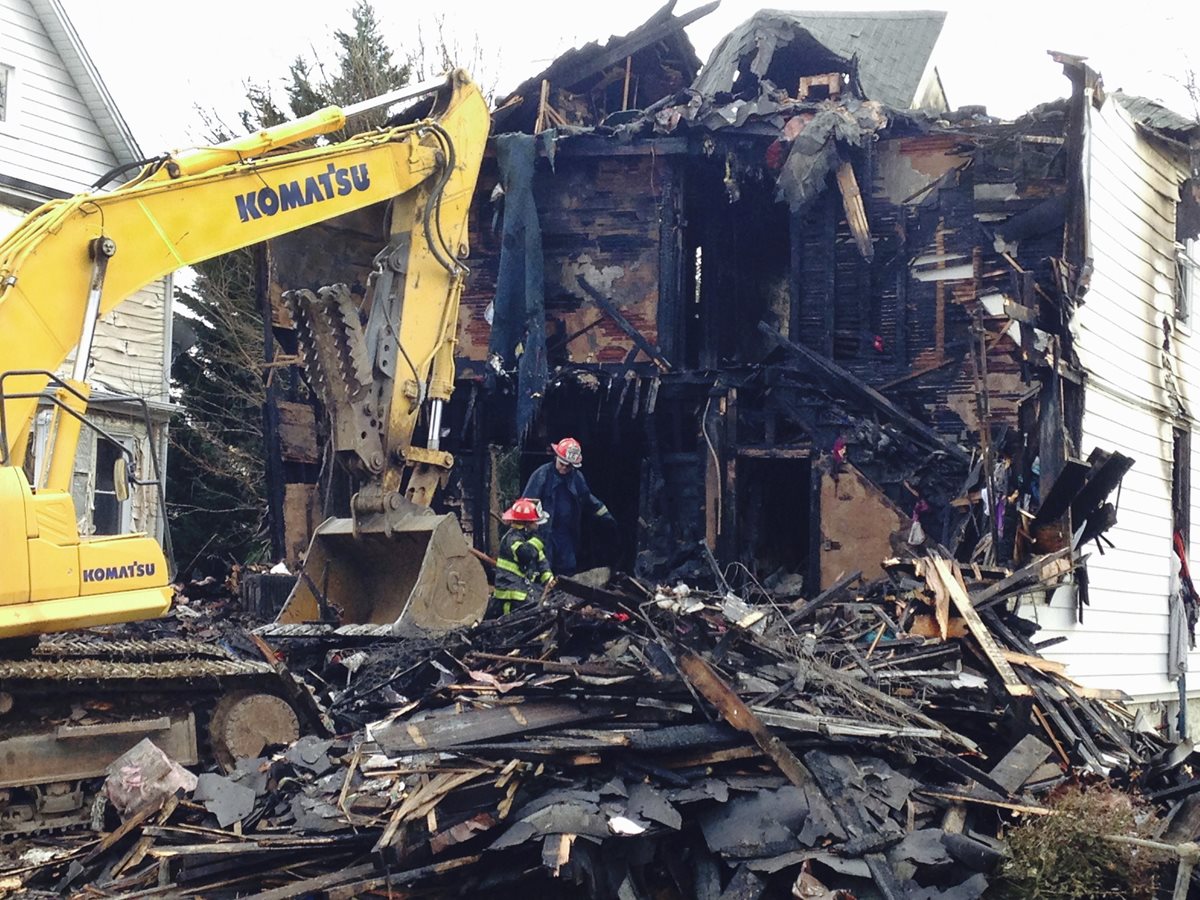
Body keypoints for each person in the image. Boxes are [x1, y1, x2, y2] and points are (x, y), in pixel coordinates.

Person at [522, 437, 614, 576]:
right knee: (543, 567)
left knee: (568, 567)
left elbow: (588, 499)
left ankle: (563, 597)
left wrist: (606, 516)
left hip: (565, 533)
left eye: (569, 466)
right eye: (562, 463)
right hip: (544, 532)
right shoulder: (542, 475)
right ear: (556, 457)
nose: (564, 468)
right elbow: (526, 502)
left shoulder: (577, 478)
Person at [490, 497, 554, 617]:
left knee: (546, 604)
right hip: (511, 591)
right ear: (527, 523)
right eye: (536, 522)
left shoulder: (529, 537)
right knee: (534, 613)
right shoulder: (511, 538)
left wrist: (549, 579)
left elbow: (541, 560)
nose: (538, 525)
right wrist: (538, 540)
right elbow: (525, 554)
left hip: (523, 586)